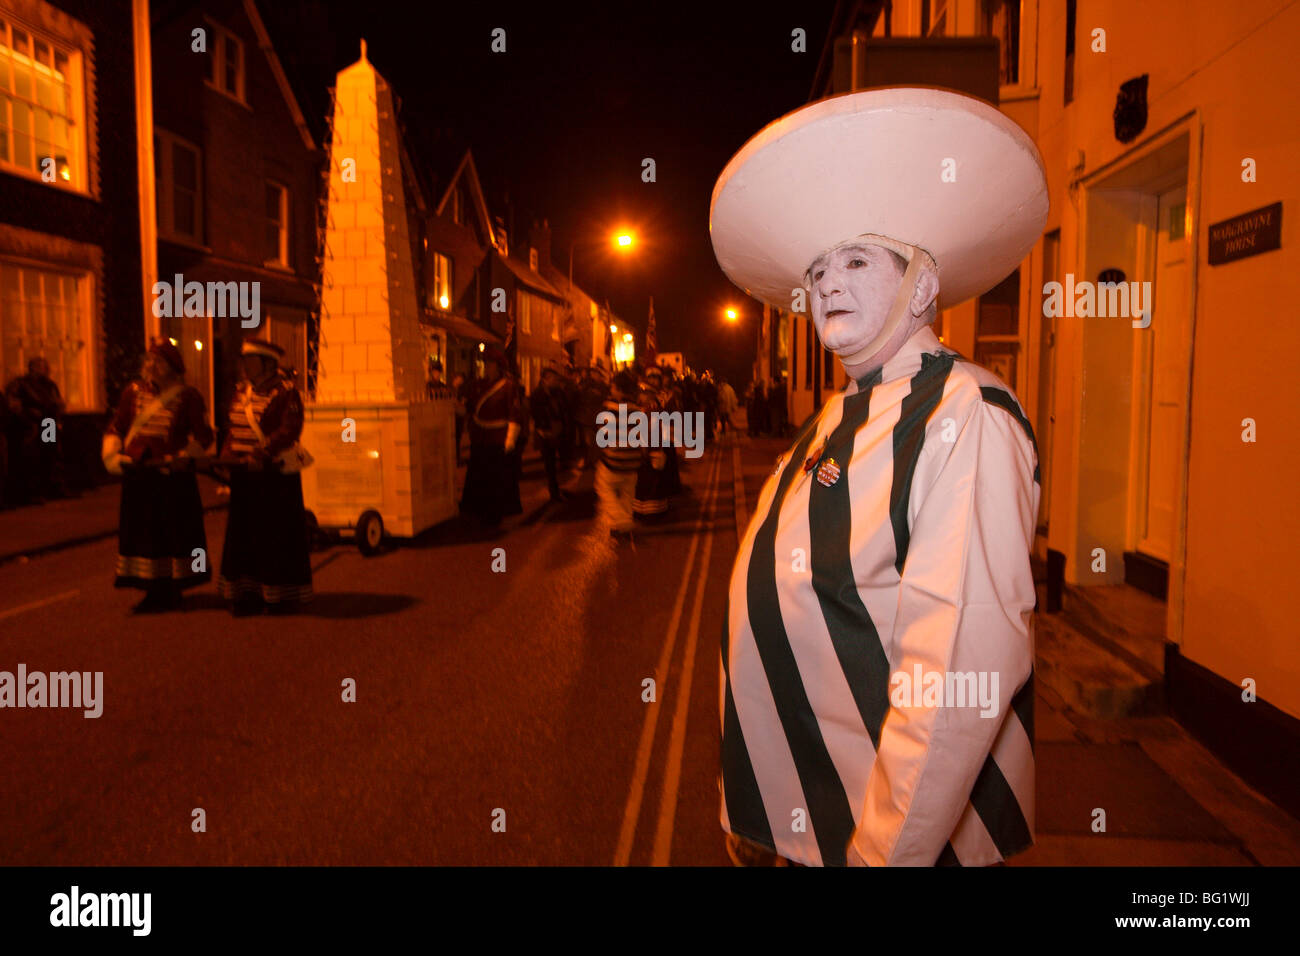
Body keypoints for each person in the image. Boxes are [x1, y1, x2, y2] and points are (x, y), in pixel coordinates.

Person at [710, 87, 1047, 867]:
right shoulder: (837, 416)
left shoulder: (965, 413)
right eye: (819, 268)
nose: (826, 283)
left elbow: (960, 663)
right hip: (802, 828)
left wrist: (883, 858)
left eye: (856, 259)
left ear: (922, 287)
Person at [102, 341, 214, 612]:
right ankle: (152, 588)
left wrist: (185, 456)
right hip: (140, 477)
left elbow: (204, 435)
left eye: (158, 362)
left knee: (173, 534)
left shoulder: (188, 397)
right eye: (149, 361)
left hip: (171, 479)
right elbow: (118, 425)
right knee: (144, 535)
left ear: (173, 368)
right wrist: (113, 453)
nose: (151, 366)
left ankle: (172, 587)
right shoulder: (133, 392)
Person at [216, 338, 313, 615]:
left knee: (274, 536)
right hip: (245, 476)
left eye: (251, 361)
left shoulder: (286, 393)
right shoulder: (241, 393)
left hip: (274, 479)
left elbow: (290, 430)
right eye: (244, 360)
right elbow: (233, 429)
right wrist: (226, 458)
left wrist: (261, 453)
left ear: (267, 363)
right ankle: (247, 593)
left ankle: (279, 595)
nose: (245, 366)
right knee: (244, 537)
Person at [460, 345, 526, 526]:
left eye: (490, 364)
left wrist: (510, 439)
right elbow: (471, 408)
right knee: (478, 476)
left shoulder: (508, 386)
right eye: (485, 363)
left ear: (498, 366)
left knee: (495, 479)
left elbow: (514, 413)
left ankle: (494, 514)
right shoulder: (478, 384)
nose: (486, 367)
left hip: (498, 439)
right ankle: (476, 510)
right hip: (480, 437)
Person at [4, 356, 68, 503]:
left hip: (48, 423)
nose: (47, 370)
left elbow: (56, 401)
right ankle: (33, 492)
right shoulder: (21, 384)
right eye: (42, 367)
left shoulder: (50, 385)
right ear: (32, 368)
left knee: (51, 453)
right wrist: (27, 417)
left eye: (47, 367)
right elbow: (14, 404)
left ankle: (52, 487)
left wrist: (58, 411)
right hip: (31, 425)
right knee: (33, 457)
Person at [595, 369, 644, 539]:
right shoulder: (638, 410)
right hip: (632, 462)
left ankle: (621, 521)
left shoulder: (609, 409)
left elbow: (603, 436)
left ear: (618, 388)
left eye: (613, 387)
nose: (611, 389)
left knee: (604, 490)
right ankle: (620, 525)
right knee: (627, 494)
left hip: (613, 460)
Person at [530, 365, 569, 502]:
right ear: (545, 380)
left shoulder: (559, 392)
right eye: (553, 379)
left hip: (559, 430)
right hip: (545, 432)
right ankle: (554, 492)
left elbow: (565, 408)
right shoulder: (537, 394)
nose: (556, 381)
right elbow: (535, 413)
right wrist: (543, 429)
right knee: (550, 463)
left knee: (562, 461)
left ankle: (560, 488)